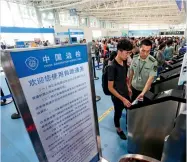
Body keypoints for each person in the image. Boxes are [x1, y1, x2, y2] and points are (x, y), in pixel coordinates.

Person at [108, 39, 133, 140]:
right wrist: (123, 99)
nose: (128, 55)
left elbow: (125, 78)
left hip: (125, 93)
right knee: (117, 113)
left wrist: (128, 87)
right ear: (119, 51)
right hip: (117, 96)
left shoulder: (124, 62)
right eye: (127, 53)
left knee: (129, 110)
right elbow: (110, 88)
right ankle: (118, 129)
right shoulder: (112, 67)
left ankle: (128, 125)